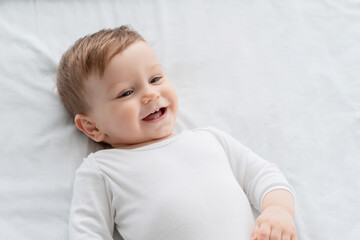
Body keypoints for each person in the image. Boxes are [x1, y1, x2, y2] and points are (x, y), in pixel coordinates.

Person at [57, 25, 297, 240]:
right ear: (92, 127)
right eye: (126, 93)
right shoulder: (102, 169)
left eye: (155, 78)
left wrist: (278, 211)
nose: (151, 94)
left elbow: (265, 176)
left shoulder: (209, 139)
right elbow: (87, 232)